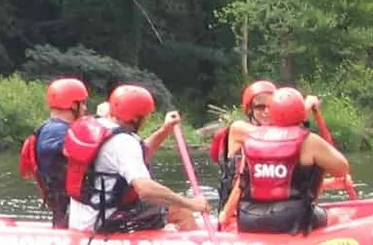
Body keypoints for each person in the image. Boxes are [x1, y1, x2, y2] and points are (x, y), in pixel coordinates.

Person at [64, 84, 207, 234]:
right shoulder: (123, 142)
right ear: (137, 119)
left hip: (81, 218)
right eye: (146, 116)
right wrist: (191, 203)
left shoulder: (96, 127)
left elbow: (135, 155)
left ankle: (166, 232)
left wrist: (165, 130)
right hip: (103, 222)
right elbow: (145, 189)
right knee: (180, 209)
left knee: (165, 203)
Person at [221, 87, 349, 234]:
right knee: (340, 218)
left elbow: (242, 185)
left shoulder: (252, 138)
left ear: (272, 111)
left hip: (248, 219)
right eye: (259, 107)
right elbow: (342, 169)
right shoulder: (309, 140)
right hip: (292, 219)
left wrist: (225, 214)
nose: (264, 111)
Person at [19, 78, 89, 227]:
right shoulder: (56, 131)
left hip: (67, 208)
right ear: (72, 105)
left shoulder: (53, 128)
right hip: (71, 210)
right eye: (82, 103)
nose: (85, 108)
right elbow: (80, 153)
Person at [210, 80, 276, 212]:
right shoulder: (238, 128)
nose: (266, 111)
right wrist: (302, 110)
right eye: (260, 107)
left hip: (267, 205)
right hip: (236, 209)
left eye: (271, 106)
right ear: (250, 110)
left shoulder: (281, 134)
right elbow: (269, 137)